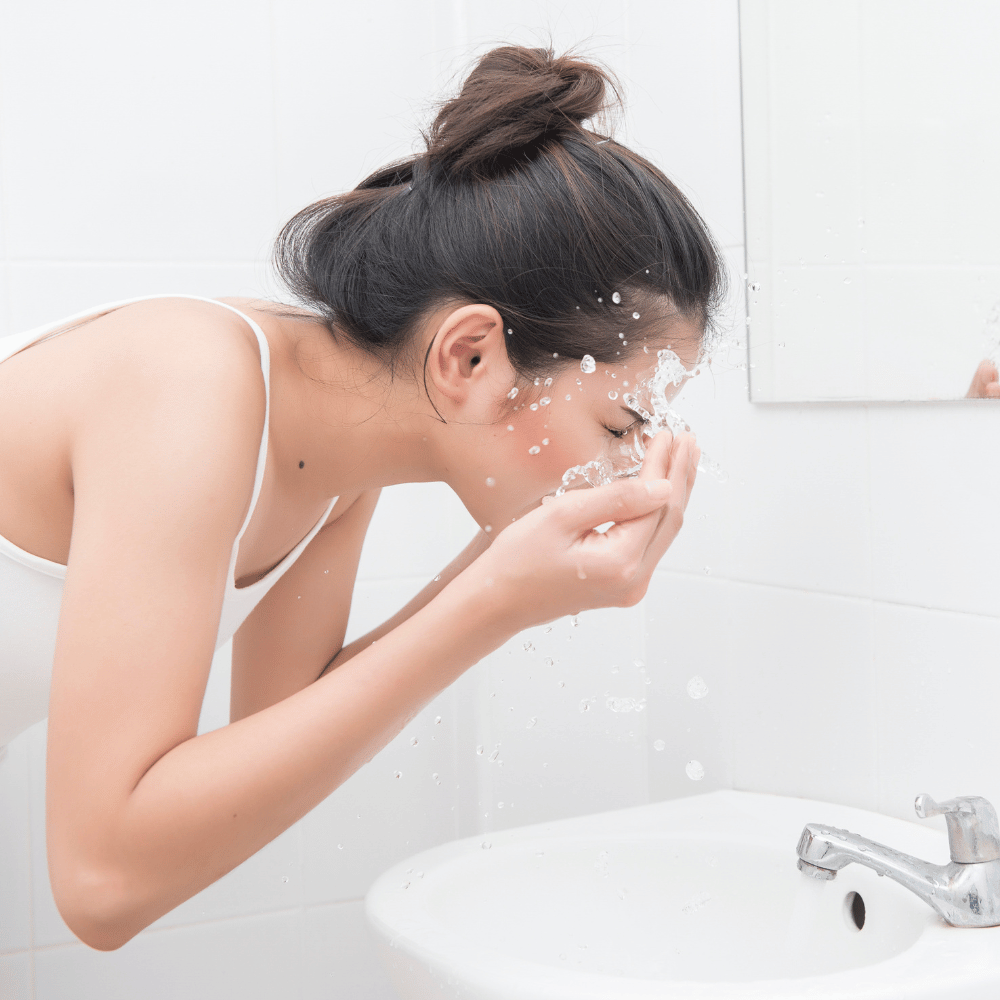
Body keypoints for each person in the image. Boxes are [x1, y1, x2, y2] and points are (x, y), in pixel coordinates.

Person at [0, 44, 725, 950]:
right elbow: (102, 881)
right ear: (469, 357)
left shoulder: (332, 453)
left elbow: (266, 744)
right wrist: (491, 604)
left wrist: (492, 580)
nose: (632, 466)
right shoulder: (188, 388)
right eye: (621, 424)